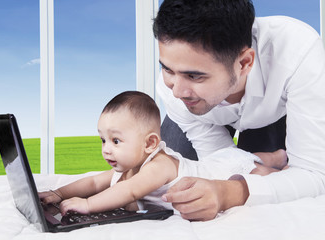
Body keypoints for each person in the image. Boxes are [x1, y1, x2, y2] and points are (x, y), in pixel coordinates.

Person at [153, 0, 325, 221]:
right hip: (204, 115)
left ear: (244, 62)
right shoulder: (173, 90)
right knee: (172, 172)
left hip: (275, 116)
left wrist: (230, 192)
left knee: (283, 185)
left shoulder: (297, 51)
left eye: (194, 76)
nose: (176, 91)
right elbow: (218, 163)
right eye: (167, 69)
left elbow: (314, 173)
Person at [39, 91, 287, 216]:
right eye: (103, 139)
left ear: (150, 144)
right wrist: (58, 193)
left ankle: (278, 159)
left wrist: (88, 205)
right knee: (247, 157)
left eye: (116, 140)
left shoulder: (159, 166)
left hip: (221, 172)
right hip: (215, 161)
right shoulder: (128, 169)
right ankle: (273, 156)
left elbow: (129, 191)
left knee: (259, 170)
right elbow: (94, 181)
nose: (106, 149)